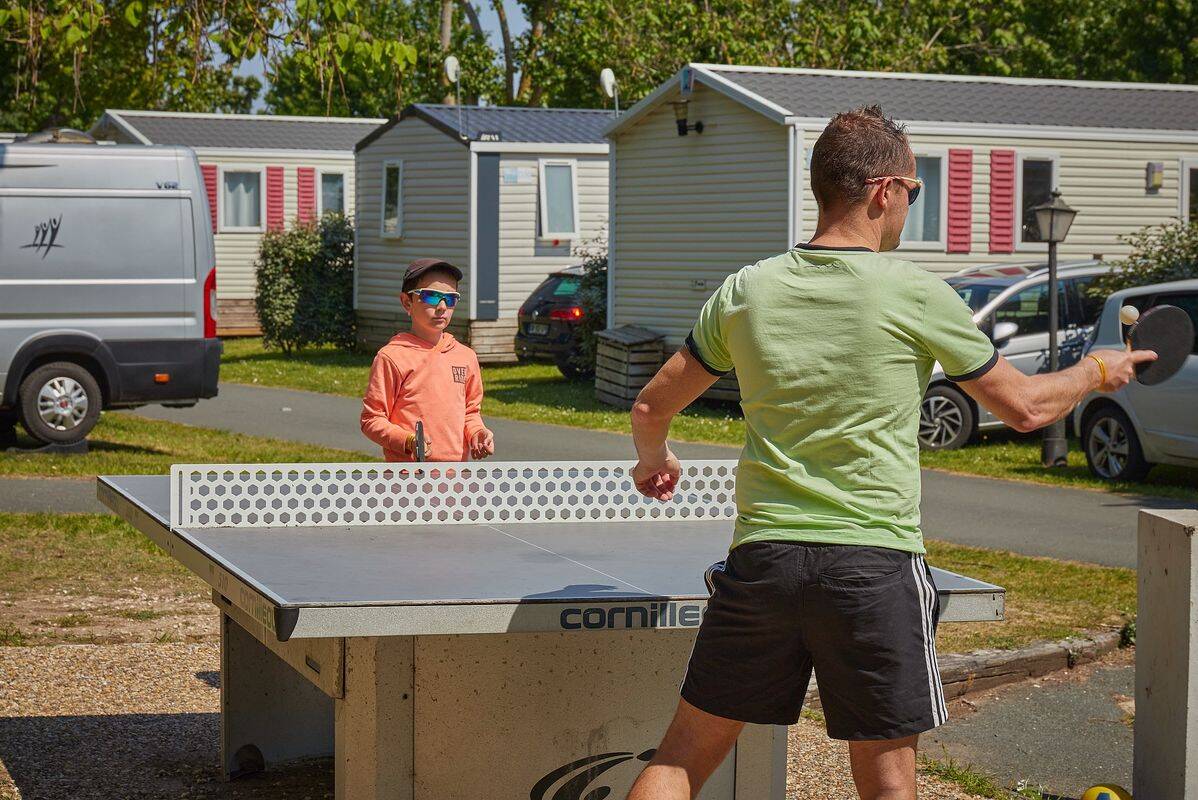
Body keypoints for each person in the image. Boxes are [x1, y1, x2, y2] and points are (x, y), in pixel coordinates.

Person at [626, 106, 1155, 800]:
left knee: (682, 758)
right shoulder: (915, 292)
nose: (910, 203)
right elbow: (1025, 407)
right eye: (914, 188)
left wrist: (654, 461)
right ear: (883, 191)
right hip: (872, 567)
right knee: (888, 786)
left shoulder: (747, 290)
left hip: (764, 561)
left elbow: (650, 405)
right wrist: (1097, 372)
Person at [360, 258, 495, 462]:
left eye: (450, 299)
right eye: (431, 297)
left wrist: (477, 433)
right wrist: (407, 441)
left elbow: (470, 413)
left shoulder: (466, 357)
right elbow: (372, 420)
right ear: (407, 302)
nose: (442, 307)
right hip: (405, 483)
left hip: (455, 483)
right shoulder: (391, 357)